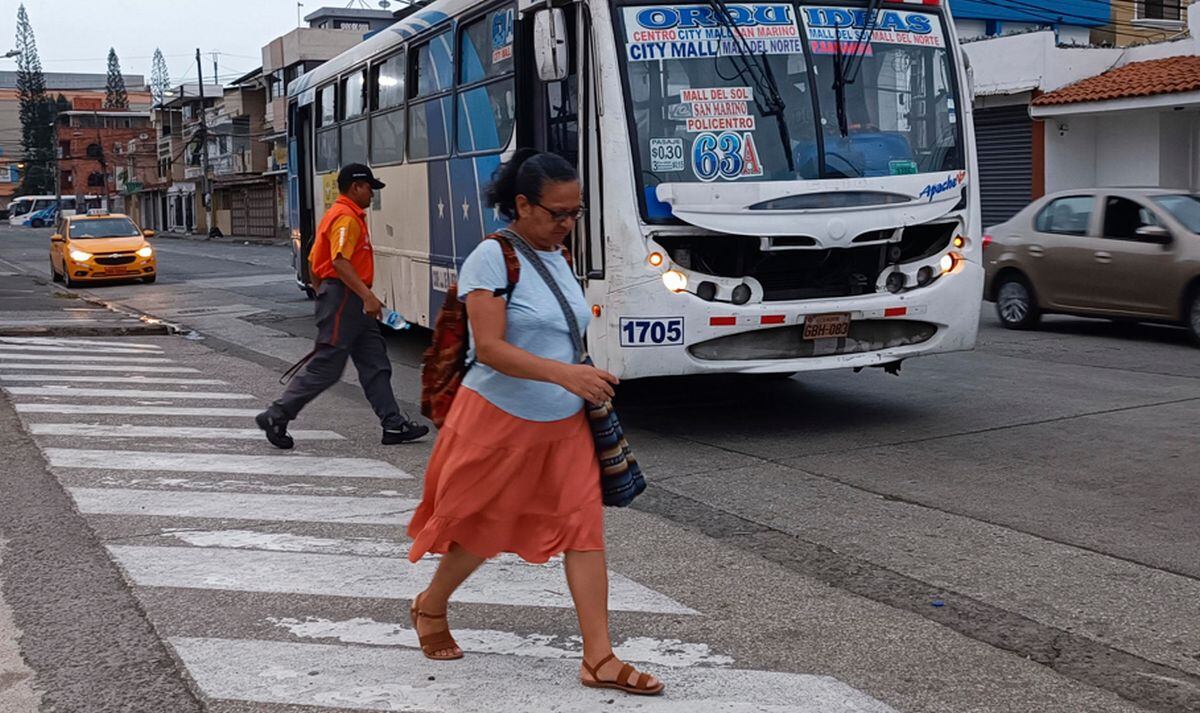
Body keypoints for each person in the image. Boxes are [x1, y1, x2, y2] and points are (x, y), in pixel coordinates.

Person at [405, 149, 664, 696]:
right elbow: (492, 349)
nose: (567, 224)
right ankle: (429, 606)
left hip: (563, 423)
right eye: (557, 213)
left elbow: (560, 334)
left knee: (583, 529)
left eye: (576, 213)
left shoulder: (557, 255)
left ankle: (599, 658)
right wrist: (565, 375)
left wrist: (579, 378)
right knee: (479, 528)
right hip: (498, 419)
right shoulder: (491, 258)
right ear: (521, 205)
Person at [256, 163, 428, 449]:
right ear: (355, 187)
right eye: (369, 187)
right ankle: (277, 414)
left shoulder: (342, 216)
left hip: (348, 298)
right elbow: (338, 260)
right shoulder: (346, 218)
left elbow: (313, 261)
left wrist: (324, 290)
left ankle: (393, 423)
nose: (372, 193)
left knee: (375, 362)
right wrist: (359, 296)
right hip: (346, 298)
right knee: (328, 367)